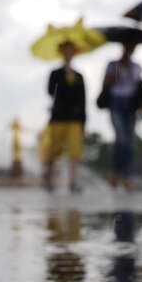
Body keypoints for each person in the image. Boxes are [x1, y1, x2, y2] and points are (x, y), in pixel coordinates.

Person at [44, 40, 87, 193]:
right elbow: (50, 91)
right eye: (66, 50)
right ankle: (49, 179)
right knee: (53, 151)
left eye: (71, 50)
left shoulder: (79, 76)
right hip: (58, 118)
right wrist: (65, 74)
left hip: (75, 119)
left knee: (75, 152)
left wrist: (83, 123)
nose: (69, 53)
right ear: (61, 52)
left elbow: (83, 101)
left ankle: (72, 182)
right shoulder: (55, 74)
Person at [102, 41, 142, 192]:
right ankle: (115, 173)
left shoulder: (136, 67)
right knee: (120, 138)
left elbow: (139, 88)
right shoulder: (113, 65)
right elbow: (105, 84)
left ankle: (126, 176)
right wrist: (120, 70)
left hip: (131, 106)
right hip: (116, 104)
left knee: (130, 141)